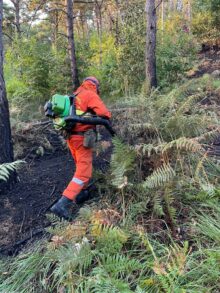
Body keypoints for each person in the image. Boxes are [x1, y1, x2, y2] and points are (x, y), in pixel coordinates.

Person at [50, 77, 111, 219]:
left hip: (71, 137)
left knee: (80, 166)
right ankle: (63, 203)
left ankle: (81, 194)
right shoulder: (90, 94)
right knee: (84, 172)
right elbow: (104, 113)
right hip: (82, 138)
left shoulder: (75, 95)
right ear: (95, 85)